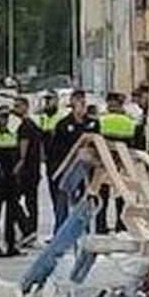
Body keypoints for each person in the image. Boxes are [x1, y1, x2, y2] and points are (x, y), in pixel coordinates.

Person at [47, 89, 99, 230]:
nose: (80, 105)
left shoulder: (92, 123)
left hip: (86, 168)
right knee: (62, 198)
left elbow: (97, 143)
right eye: (77, 101)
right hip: (67, 166)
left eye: (82, 101)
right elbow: (56, 149)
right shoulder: (63, 124)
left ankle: (83, 229)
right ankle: (60, 230)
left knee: (84, 199)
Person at [0, 102, 24, 257]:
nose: (4, 120)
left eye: (6, 118)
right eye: (1, 118)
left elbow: (18, 156)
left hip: (11, 178)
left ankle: (11, 244)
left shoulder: (12, 135)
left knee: (11, 213)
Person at [98, 92, 139, 233]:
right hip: (123, 163)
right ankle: (120, 226)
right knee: (121, 196)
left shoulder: (101, 119)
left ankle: (100, 227)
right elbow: (136, 143)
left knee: (102, 196)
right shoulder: (130, 121)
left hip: (104, 163)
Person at [13, 96, 44, 247]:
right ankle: (30, 230)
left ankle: (28, 229)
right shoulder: (32, 124)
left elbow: (24, 145)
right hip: (34, 167)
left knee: (14, 199)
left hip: (27, 168)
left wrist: (20, 162)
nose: (15, 109)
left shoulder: (25, 125)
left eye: (18, 106)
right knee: (31, 201)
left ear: (26, 107)